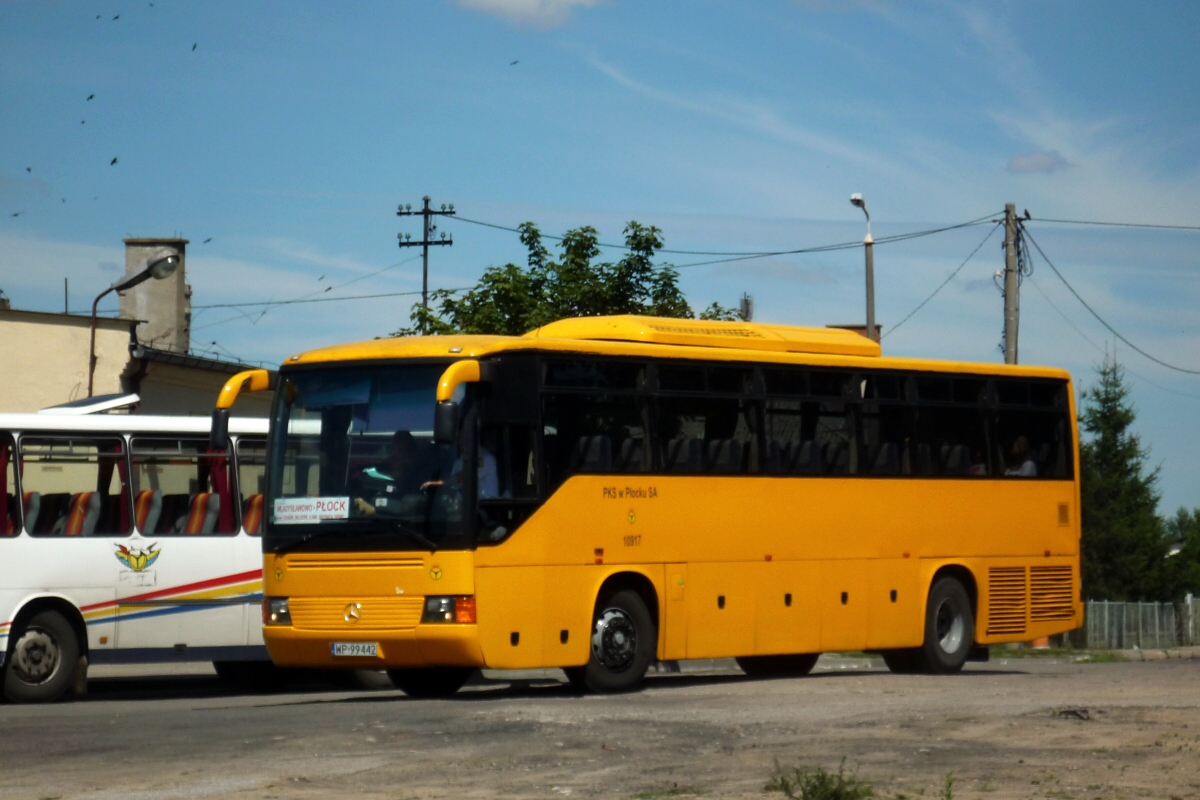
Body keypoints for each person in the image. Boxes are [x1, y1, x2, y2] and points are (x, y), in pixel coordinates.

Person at [353, 431, 426, 516]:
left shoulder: (416, 484)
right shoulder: (374, 474)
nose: (395, 455)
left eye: (401, 451)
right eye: (393, 449)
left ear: (411, 456)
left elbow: (408, 507)